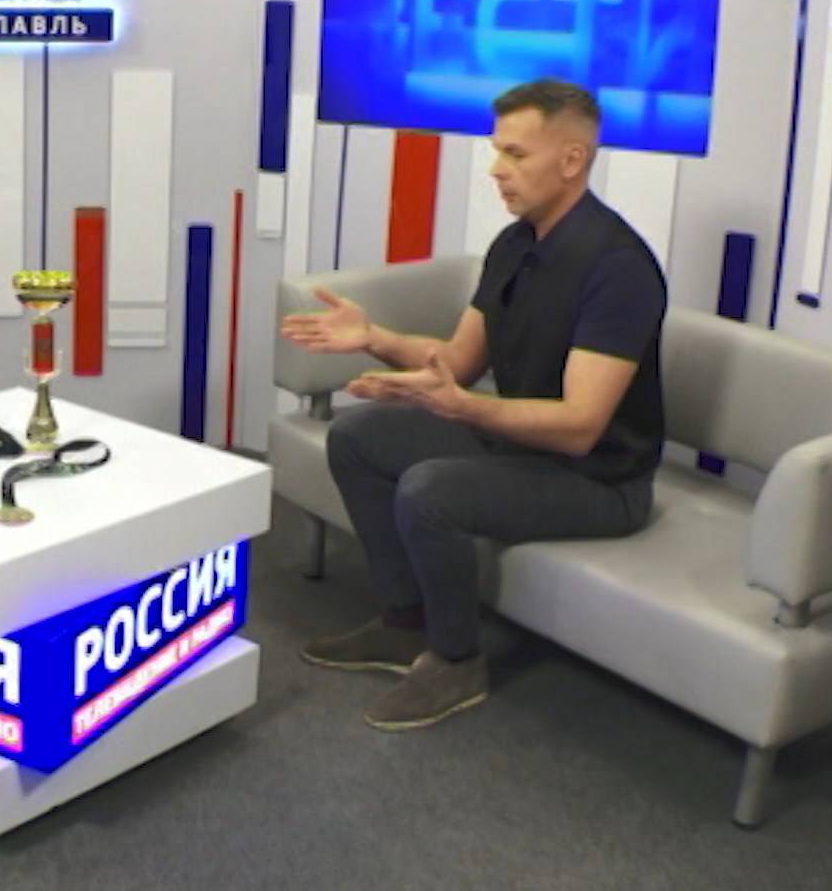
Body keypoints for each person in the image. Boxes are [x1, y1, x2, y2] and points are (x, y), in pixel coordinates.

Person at [281, 79, 667, 731]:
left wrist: (460, 408)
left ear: (572, 160)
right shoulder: (515, 245)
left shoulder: (618, 267)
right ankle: (404, 623)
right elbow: (458, 361)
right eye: (497, 151)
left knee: (431, 491)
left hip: (600, 480)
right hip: (521, 446)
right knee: (357, 438)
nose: (496, 169)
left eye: (516, 154)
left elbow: (580, 428)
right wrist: (373, 337)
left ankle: (456, 661)